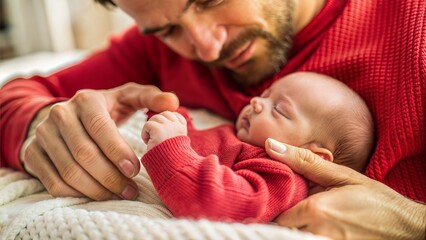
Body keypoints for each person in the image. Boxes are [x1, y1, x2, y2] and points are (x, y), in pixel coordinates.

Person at [0, 0, 424, 239]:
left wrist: (413, 222)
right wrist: (39, 123)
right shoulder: (158, 51)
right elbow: (14, 94)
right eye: (168, 30)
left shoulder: (413, 24)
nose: (205, 49)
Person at [140, 72, 374, 223]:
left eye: (279, 109)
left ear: (314, 157)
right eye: (265, 95)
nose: (256, 102)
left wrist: (169, 146)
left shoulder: (281, 179)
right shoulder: (241, 136)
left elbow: (217, 201)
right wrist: (169, 115)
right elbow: (197, 145)